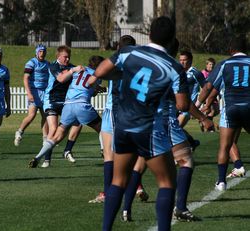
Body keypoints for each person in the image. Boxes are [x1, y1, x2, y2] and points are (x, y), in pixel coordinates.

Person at [88, 16, 191, 231]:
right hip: (149, 129)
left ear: (150, 34)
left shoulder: (128, 53)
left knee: (118, 181)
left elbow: (100, 71)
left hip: (123, 126)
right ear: (171, 38)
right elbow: (182, 105)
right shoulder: (174, 67)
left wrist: (123, 76)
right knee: (166, 182)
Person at [119, 38, 214, 222]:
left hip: (143, 122)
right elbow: (183, 104)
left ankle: (125, 209)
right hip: (166, 122)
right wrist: (203, 118)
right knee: (186, 161)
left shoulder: (145, 64)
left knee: (139, 165)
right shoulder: (171, 69)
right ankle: (180, 208)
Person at [88, 35, 149, 204]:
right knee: (130, 152)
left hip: (115, 110)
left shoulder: (118, 59)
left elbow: (93, 78)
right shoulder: (142, 62)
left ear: (118, 47)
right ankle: (137, 186)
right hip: (135, 110)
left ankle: (109, 193)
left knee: (110, 154)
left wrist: (94, 83)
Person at [28, 55, 105, 168]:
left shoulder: (79, 70)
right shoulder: (97, 75)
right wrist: (98, 90)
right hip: (82, 105)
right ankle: (104, 151)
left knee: (57, 136)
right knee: (103, 129)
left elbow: (79, 84)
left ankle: (38, 157)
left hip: (68, 105)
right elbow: (91, 89)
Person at [197, 37, 250, 191]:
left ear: (230, 50)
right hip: (249, 107)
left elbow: (208, 87)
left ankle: (221, 181)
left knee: (224, 145)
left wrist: (198, 105)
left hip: (231, 108)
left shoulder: (224, 64)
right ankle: (237, 167)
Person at [29, 45, 82, 167]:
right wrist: (73, 70)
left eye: (69, 57)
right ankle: (47, 160)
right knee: (53, 130)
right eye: (65, 57)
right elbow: (61, 78)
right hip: (51, 100)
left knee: (78, 122)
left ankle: (67, 150)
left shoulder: (70, 67)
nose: (67, 59)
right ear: (58, 56)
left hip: (65, 102)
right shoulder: (53, 66)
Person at [14, 44, 49, 148]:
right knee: (32, 115)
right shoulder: (31, 63)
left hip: (45, 92)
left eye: (44, 51)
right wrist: (29, 93)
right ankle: (19, 132)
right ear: (37, 52)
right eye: (40, 51)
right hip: (34, 92)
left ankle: (45, 139)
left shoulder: (48, 64)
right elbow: (25, 78)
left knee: (46, 116)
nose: (42, 53)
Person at [178, 50, 206, 149]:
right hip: (177, 105)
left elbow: (206, 88)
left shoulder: (196, 73)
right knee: (173, 128)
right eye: (180, 60)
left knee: (176, 128)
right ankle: (191, 141)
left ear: (190, 61)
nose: (182, 62)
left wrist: (201, 103)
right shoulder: (178, 71)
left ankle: (179, 154)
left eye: (184, 60)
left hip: (189, 107)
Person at [200, 57, 219, 132]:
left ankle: (203, 121)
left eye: (213, 64)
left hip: (213, 94)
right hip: (207, 95)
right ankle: (210, 128)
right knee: (212, 111)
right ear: (207, 65)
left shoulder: (214, 73)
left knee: (216, 111)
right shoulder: (203, 73)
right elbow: (203, 86)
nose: (211, 66)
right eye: (210, 64)